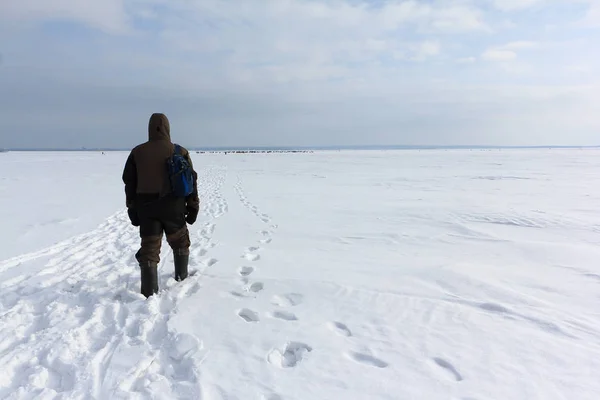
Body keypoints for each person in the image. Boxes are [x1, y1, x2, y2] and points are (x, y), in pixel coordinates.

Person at [122, 113, 200, 298]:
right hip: (174, 206)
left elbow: (129, 183)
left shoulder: (137, 152)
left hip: (146, 208)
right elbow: (191, 181)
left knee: (149, 249)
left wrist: (132, 208)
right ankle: (182, 279)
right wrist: (193, 206)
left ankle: (149, 292)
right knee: (180, 242)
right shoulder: (180, 151)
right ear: (167, 128)